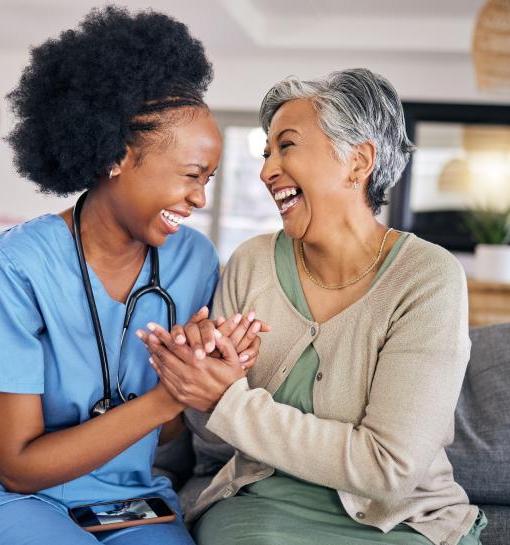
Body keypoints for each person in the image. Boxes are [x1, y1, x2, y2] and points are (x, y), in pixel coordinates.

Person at [0, 6, 263, 545]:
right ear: (117, 155)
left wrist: (197, 372)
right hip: (6, 492)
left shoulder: (194, 261)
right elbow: (18, 466)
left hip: (125, 497)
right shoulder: (12, 266)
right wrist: (170, 393)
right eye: (191, 175)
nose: (199, 198)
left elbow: (162, 437)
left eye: (207, 179)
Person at [141, 68, 487, 545]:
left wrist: (228, 398)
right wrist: (203, 374)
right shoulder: (252, 263)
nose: (266, 171)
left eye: (287, 146)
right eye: (266, 153)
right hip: (260, 509)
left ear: (358, 161)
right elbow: (218, 443)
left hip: (400, 522)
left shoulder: (426, 278)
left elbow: (388, 469)